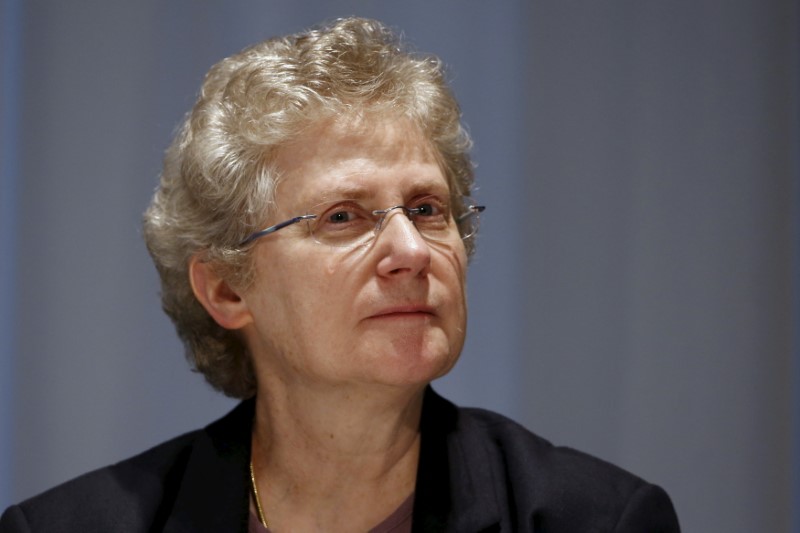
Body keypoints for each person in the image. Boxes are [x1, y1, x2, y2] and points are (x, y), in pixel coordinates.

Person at [0, 17, 680, 532]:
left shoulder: (597, 518)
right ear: (228, 288)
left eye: (426, 208)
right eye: (344, 217)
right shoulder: (70, 525)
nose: (412, 250)